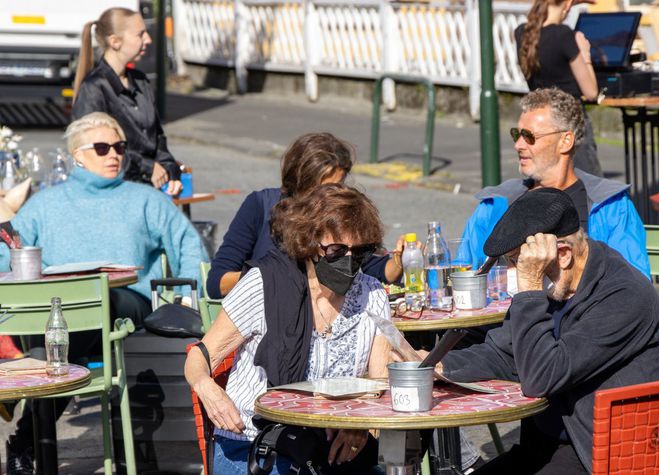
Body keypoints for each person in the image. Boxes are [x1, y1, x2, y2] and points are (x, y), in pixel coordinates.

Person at [1, 112, 206, 475]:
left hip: (126, 304)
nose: (114, 155)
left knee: (67, 325)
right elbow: (9, 247)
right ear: (77, 155)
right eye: (102, 147)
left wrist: (187, 296)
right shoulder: (47, 203)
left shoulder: (145, 199)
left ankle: (28, 431)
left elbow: (189, 244)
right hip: (64, 313)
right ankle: (30, 436)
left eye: (120, 147)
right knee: (60, 324)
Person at [437, 187, 659, 474]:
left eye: (520, 262)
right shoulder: (554, 286)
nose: (516, 273)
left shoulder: (623, 295)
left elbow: (542, 378)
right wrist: (437, 364)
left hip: (607, 455)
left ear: (562, 255)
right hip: (548, 445)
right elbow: (503, 353)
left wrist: (529, 287)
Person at [186, 183, 392, 474]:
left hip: (329, 448)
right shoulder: (265, 284)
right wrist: (207, 388)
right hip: (254, 444)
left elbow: (379, 382)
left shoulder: (372, 294)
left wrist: (361, 425)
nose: (349, 261)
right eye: (336, 250)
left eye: (360, 252)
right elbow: (200, 357)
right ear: (309, 243)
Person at [460, 87, 650, 278]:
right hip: (510, 306)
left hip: (587, 306)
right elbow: (462, 272)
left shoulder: (610, 206)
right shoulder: (496, 203)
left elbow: (635, 284)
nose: (518, 145)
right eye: (516, 135)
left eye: (529, 136)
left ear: (565, 141)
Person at [207, 132, 405, 298]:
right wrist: (271, 275)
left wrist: (401, 259)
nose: (333, 195)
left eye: (339, 185)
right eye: (326, 188)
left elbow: (377, 270)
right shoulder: (260, 205)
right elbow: (218, 283)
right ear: (301, 183)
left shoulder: (338, 212)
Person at [72, 7, 182, 195]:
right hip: (114, 192)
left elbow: (157, 138)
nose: (148, 39)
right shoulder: (94, 88)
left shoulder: (141, 81)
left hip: (149, 192)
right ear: (115, 42)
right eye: (140, 34)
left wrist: (170, 169)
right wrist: (147, 168)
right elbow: (94, 149)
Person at [515, 0, 602, 176]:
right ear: (568, 5)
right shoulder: (563, 36)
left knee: (549, 184)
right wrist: (585, 54)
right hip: (570, 124)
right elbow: (591, 92)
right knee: (589, 188)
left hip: (540, 126)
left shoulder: (521, 33)